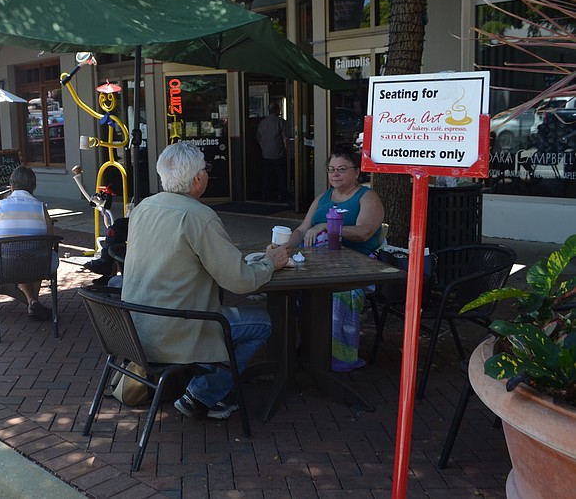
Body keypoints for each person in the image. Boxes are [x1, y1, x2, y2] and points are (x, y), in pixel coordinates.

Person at [121, 142, 292, 420]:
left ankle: (211, 384)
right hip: (178, 330)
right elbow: (240, 282)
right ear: (199, 178)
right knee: (264, 322)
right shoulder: (200, 216)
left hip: (134, 329)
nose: (208, 174)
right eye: (206, 168)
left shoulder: (143, 207)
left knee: (234, 317)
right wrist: (269, 263)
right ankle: (203, 392)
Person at [288, 144, 384, 372]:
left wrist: (327, 227)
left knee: (340, 293)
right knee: (290, 290)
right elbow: (302, 229)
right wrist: (285, 246)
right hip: (318, 263)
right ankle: (304, 347)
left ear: (356, 172)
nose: (335, 174)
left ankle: (337, 355)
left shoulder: (367, 197)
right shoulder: (324, 197)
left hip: (356, 267)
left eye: (342, 169)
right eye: (331, 169)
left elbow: (365, 232)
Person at [0, 166, 56, 321]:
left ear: (11, 186)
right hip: (41, 266)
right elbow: (50, 237)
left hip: (5, 267)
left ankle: (32, 302)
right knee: (35, 252)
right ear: (33, 186)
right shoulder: (41, 208)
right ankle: (33, 301)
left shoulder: (0, 207)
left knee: (17, 255)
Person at [256, 102, 287, 202]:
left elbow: (259, 139)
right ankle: (282, 195)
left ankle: (265, 194)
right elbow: (285, 139)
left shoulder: (262, 123)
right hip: (279, 154)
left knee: (267, 175)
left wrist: (263, 149)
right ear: (278, 110)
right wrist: (287, 151)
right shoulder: (280, 122)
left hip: (266, 154)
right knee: (281, 176)